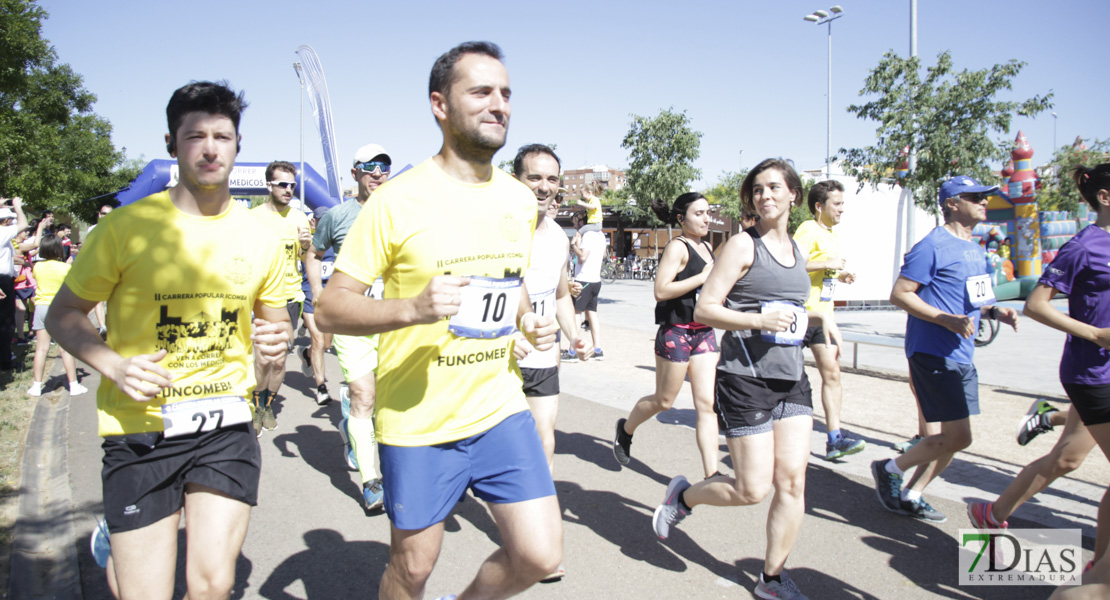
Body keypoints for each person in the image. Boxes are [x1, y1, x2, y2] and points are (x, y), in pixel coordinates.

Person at [315, 41, 562, 600]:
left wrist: (527, 321)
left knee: (539, 554)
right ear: (440, 105)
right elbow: (331, 307)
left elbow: (510, 280)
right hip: (418, 422)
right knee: (414, 569)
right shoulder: (396, 201)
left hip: (498, 407)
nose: (499, 104)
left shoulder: (519, 200)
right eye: (481, 91)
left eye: (505, 93)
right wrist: (412, 308)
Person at [46, 81, 290, 600]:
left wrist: (275, 342)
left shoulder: (262, 237)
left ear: (237, 145)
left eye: (222, 136)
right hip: (142, 427)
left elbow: (275, 324)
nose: (209, 148)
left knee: (213, 585)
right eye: (195, 136)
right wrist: (111, 364)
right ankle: (118, 539)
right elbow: (62, 315)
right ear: (171, 143)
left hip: (225, 424)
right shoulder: (125, 229)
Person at [652, 159, 828, 600]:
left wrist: (816, 322)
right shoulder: (741, 246)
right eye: (757, 190)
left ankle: (771, 578)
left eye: (774, 187)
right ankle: (685, 498)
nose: (764, 195)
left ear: (793, 194)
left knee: (792, 482)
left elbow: (792, 309)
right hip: (745, 378)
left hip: (791, 379)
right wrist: (758, 319)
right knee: (752, 489)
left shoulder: (797, 251)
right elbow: (705, 309)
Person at [969, 164, 1110, 570]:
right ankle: (1098, 573)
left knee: (1067, 459)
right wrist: (1095, 334)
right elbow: (1036, 305)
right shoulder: (1084, 246)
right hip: (1093, 372)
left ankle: (991, 516)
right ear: (1104, 197)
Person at [870, 175, 1019, 524]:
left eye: (986, 197)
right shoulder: (932, 245)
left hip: (962, 353)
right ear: (952, 203)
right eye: (976, 196)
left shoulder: (977, 248)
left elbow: (976, 301)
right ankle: (890, 469)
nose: (985, 202)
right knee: (954, 436)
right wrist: (945, 319)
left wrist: (996, 311)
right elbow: (900, 294)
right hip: (933, 351)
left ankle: (911, 492)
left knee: (958, 439)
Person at [305, 143, 392, 514]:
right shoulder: (336, 216)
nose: (377, 172)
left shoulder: (399, 211)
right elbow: (313, 254)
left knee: (388, 404)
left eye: (383, 166)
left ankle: (356, 433)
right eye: (369, 166)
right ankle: (372, 481)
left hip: (393, 320)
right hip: (353, 323)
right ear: (355, 173)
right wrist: (321, 296)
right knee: (363, 398)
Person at [613, 192, 720, 478]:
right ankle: (625, 429)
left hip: (705, 333)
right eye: (699, 213)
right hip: (677, 331)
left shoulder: (708, 248)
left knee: (707, 405)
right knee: (664, 401)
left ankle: (712, 475)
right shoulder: (678, 246)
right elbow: (661, 290)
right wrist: (702, 277)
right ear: (681, 219)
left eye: (708, 212)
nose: (706, 218)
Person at [512, 143, 591, 469]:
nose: (544, 187)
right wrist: (504, 334)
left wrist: (574, 336)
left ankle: (539, 509)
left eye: (552, 179)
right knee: (493, 441)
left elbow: (560, 295)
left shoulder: (559, 237)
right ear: (515, 179)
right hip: (497, 355)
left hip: (541, 353)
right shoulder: (496, 231)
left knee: (544, 435)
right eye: (534, 178)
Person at [792, 180, 864, 460]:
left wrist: (840, 275)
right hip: (800, 315)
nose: (842, 210)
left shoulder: (832, 234)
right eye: (837, 204)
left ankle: (835, 438)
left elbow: (823, 272)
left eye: (843, 204)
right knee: (788, 379)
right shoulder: (808, 229)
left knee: (832, 372)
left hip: (824, 319)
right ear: (819, 206)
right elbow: (793, 263)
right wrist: (827, 264)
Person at [250, 160, 311, 435]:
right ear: (269, 186)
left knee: (278, 360)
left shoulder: (299, 219)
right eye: (283, 184)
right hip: (262, 299)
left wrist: (307, 247)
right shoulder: (252, 219)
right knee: (263, 358)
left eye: (292, 185)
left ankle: (268, 405)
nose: (289, 190)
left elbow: (304, 258)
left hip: (291, 299)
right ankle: (256, 405)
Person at [27, 235, 86, 397]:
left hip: (41, 308)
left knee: (41, 348)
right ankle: (74, 385)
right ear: (59, 249)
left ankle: (36, 386)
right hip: (60, 308)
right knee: (65, 349)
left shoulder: (37, 267)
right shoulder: (65, 268)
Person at [299, 205, 334, 406]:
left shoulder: (339, 243)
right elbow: (301, 254)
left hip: (330, 302)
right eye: (322, 220)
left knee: (326, 344)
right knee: (319, 342)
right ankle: (321, 388)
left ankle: (306, 354)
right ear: (314, 222)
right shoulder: (308, 242)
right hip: (310, 298)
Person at [568, 208, 606, 359]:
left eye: (576, 224)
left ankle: (572, 351)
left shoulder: (588, 235)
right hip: (595, 280)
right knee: (592, 315)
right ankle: (597, 350)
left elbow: (582, 257)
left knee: (576, 314)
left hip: (584, 279)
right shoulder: (600, 234)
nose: (575, 227)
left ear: (583, 222)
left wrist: (573, 246)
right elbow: (603, 255)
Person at [0, 197, 30, 370]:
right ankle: (5, 360)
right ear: (4, 221)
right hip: (2, 280)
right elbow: (23, 224)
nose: (12, 222)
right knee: (5, 322)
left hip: (5, 278)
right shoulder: (3, 232)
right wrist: (18, 207)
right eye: (10, 220)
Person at [89, 204, 113, 332]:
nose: (105, 216)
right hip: (97, 267)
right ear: (99, 214)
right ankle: (102, 326)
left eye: (109, 214)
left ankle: (112, 325)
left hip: (113, 267)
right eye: (103, 213)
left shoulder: (117, 229)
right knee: (99, 299)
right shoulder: (93, 229)